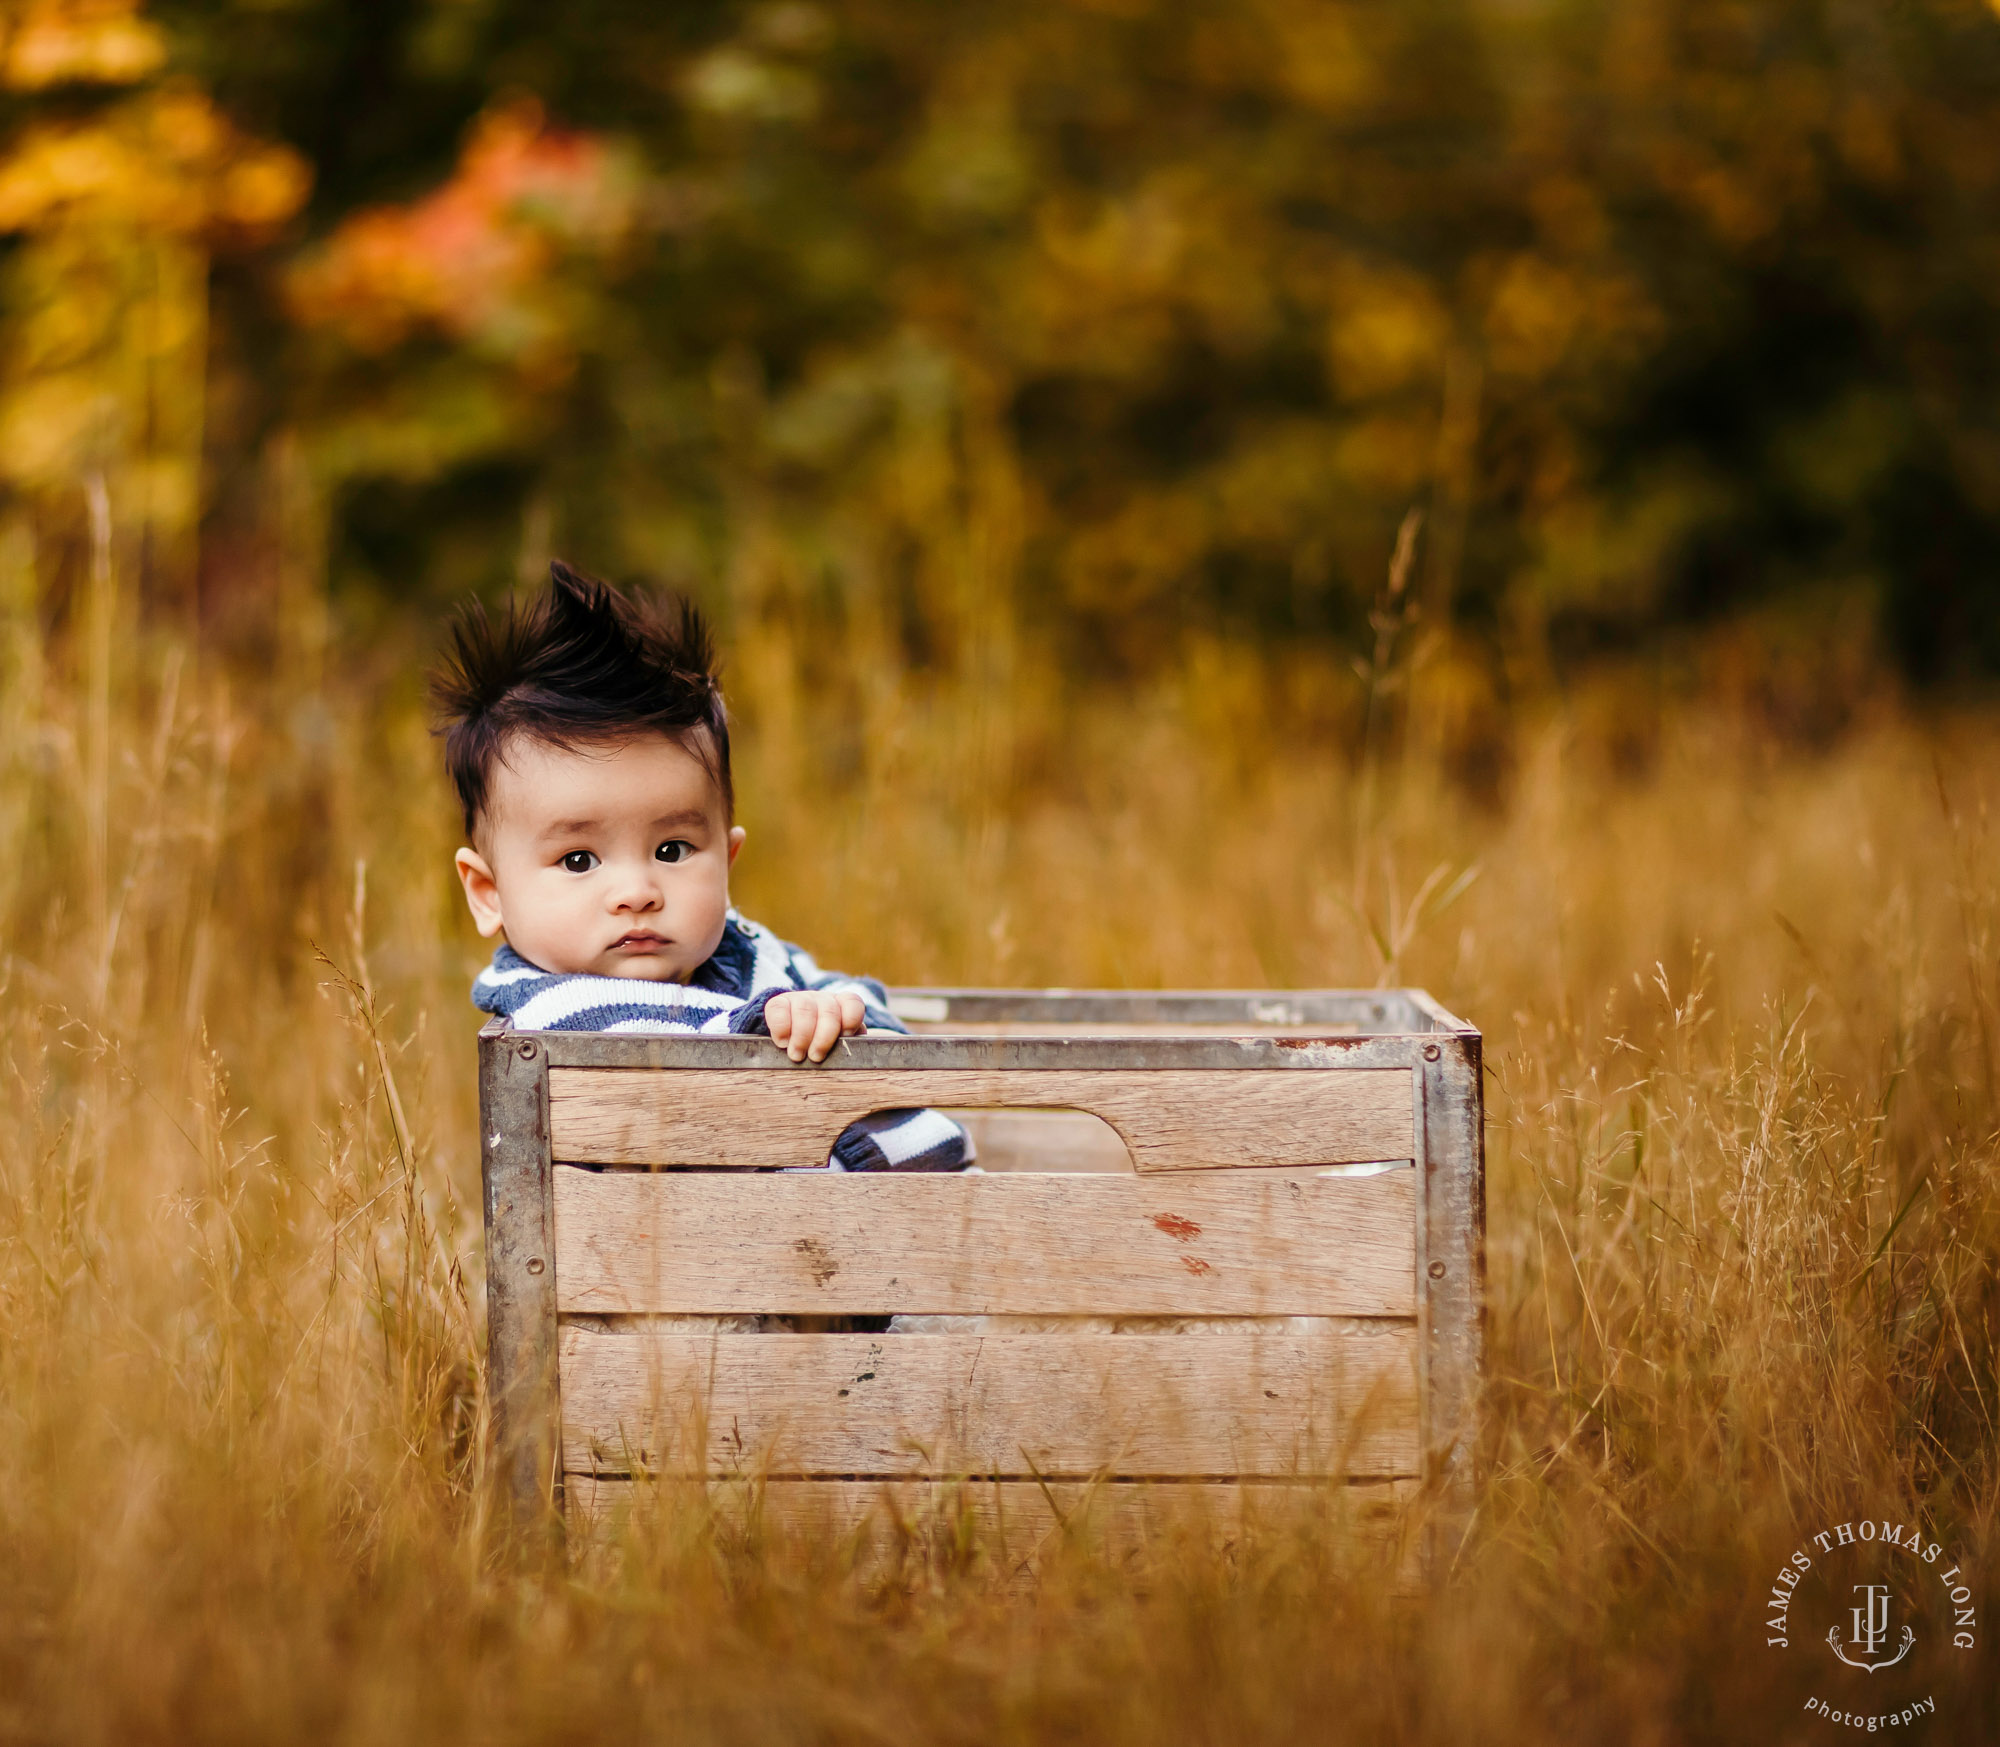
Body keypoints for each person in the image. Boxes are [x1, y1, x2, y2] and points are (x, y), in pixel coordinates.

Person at [434, 559, 969, 1175]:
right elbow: (678, 1058)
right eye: (579, 860)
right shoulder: (554, 1012)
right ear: (488, 893)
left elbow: (876, 1019)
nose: (636, 892)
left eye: (672, 851)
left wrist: (840, 1009)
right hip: (798, 1255)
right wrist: (771, 1023)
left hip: (939, 1224)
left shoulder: (740, 949)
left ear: (727, 860)